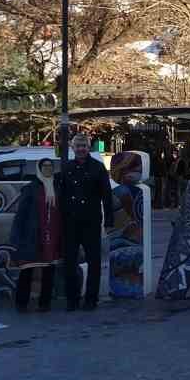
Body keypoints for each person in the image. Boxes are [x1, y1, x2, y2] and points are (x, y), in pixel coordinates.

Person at [57, 131, 114, 311]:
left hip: (91, 220)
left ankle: (91, 299)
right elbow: (61, 195)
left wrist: (109, 221)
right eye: (78, 146)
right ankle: (72, 299)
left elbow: (107, 196)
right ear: (73, 148)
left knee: (94, 262)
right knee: (70, 262)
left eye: (84, 146)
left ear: (88, 148)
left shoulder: (98, 167)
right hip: (71, 221)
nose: (81, 149)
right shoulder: (66, 167)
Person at [9, 158, 62, 311]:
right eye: (44, 166)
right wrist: (16, 237)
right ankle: (21, 303)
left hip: (52, 235)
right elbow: (21, 215)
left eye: (50, 166)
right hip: (32, 236)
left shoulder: (57, 187)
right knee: (27, 269)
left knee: (48, 271)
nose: (48, 168)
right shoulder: (31, 188)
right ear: (39, 168)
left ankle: (45, 304)